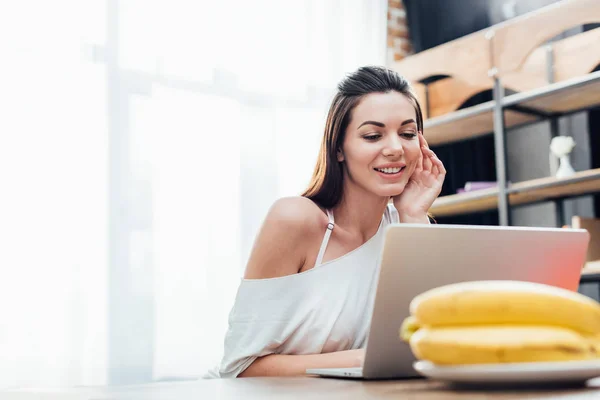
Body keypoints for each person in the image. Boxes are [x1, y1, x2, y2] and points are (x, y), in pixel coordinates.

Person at [206, 65, 445, 378]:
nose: (395, 149)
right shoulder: (297, 220)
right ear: (339, 149)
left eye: (408, 133)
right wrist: (365, 360)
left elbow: (425, 343)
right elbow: (241, 368)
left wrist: (413, 216)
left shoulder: (409, 226)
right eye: (373, 136)